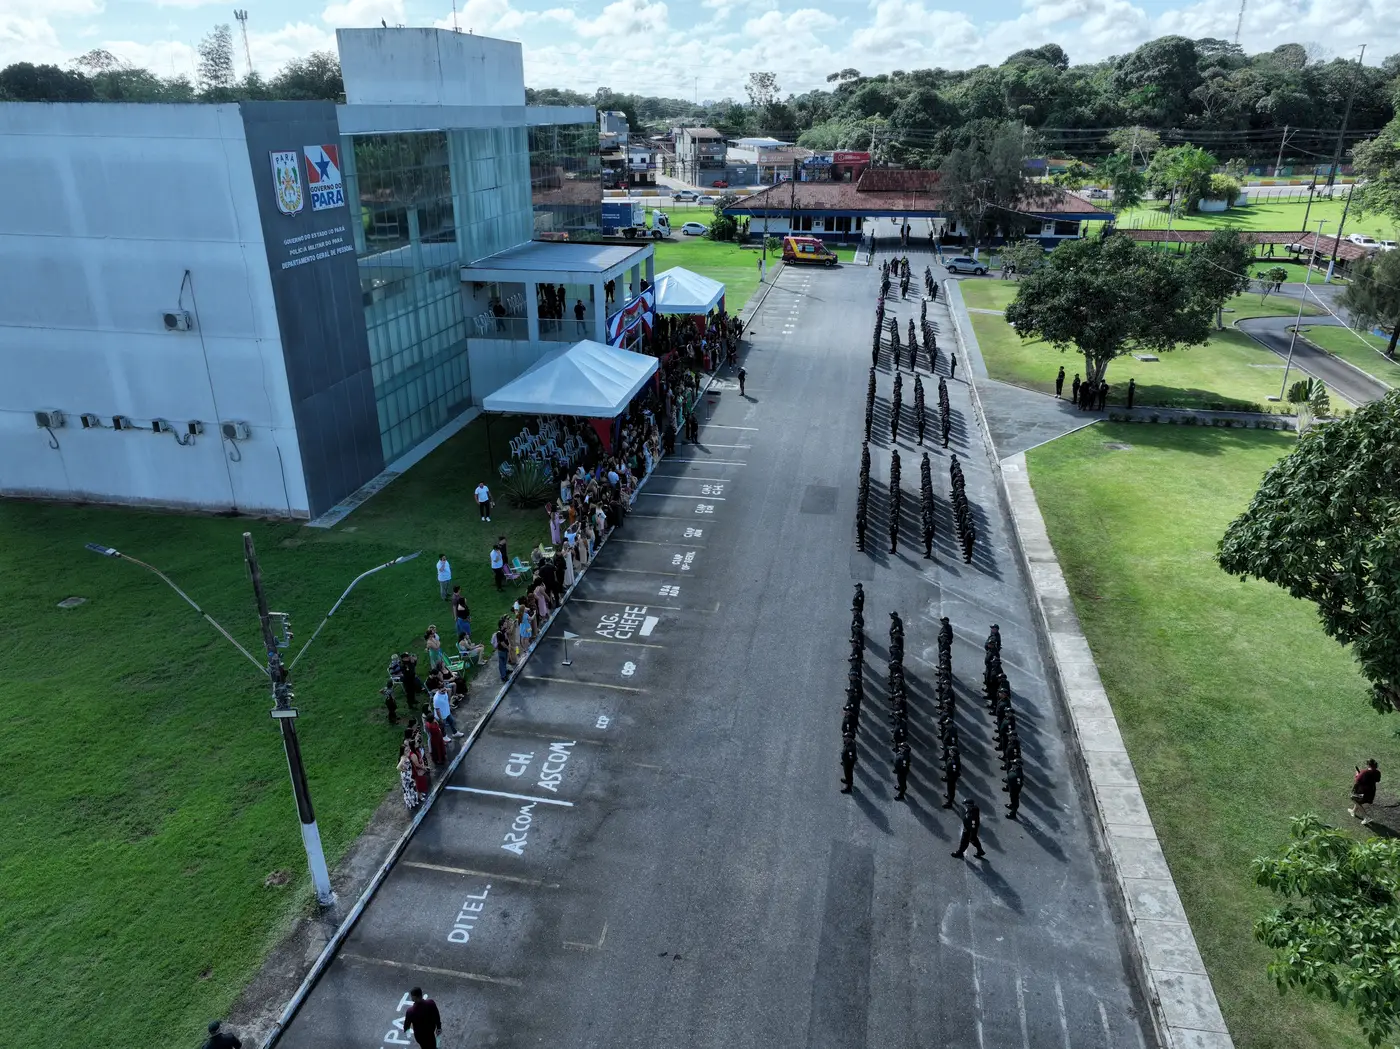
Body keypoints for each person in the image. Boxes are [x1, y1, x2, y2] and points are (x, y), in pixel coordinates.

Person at [1350, 758, 1381, 823]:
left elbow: (1357, 781)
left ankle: (1366, 817)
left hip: (1362, 791)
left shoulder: (1364, 772)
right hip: (1371, 791)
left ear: (1368, 765)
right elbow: (1378, 780)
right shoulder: (1377, 772)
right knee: (1358, 800)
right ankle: (1353, 811)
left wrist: (1357, 775)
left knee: (1353, 798)